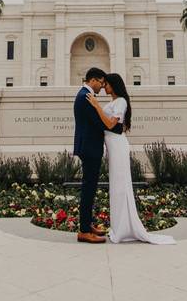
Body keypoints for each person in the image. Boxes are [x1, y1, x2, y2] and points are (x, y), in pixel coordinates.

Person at [86, 73, 175, 245]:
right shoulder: (113, 102)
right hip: (112, 146)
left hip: (118, 146)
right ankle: (119, 227)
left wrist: (97, 106)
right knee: (116, 186)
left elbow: (112, 124)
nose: (104, 87)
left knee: (121, 185)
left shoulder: (121, 101)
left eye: (107, 84)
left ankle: (124, 229)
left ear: (114, 85)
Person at [72, 67, 107, 244]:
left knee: (90, 187)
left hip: (88, 147)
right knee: (88, 188)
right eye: (101, 83)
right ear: (93, 80)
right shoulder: (86, 97)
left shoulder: (84, 95)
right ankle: (84, 230)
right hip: (90, 148)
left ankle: (87, 224)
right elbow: (98, 122)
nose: (102, 87)